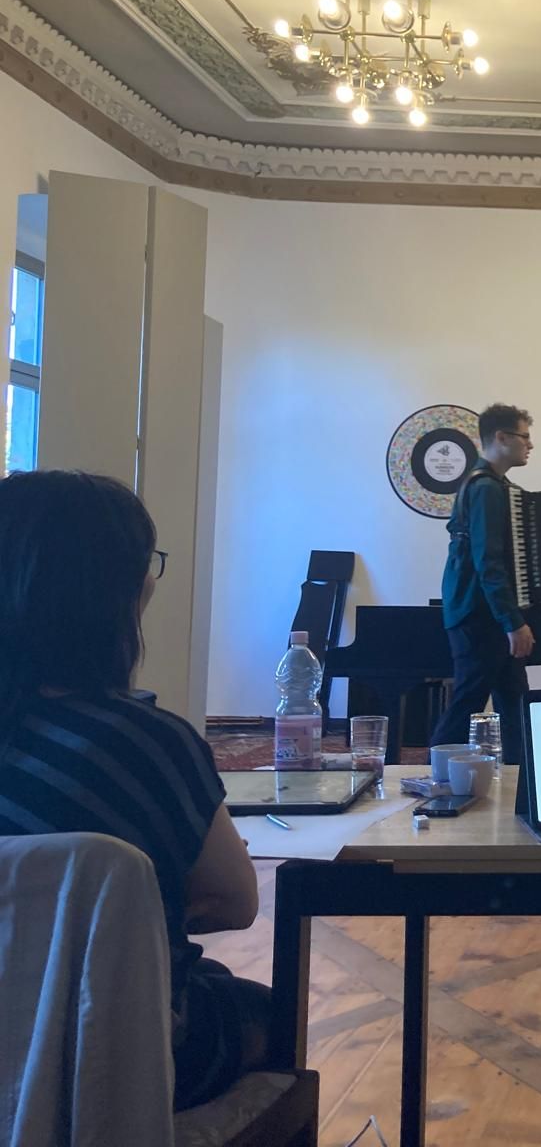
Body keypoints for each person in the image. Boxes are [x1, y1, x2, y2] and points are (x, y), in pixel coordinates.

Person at [0, 470, 268, 1109]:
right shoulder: (146, 743)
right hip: (99, 1051)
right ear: (113, 590)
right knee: (258, 1009)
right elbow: (235, 902)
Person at [429, 402, 536, 760]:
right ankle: (435, 775)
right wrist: (513, 621)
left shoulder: (492, 485)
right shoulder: (486, 487)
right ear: (501, 437)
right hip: (478, 614)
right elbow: (488, 562)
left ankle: (521, 779)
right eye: (524, 437)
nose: (530, 445)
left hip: (479, 610)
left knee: (514, 702)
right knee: (469, 700)